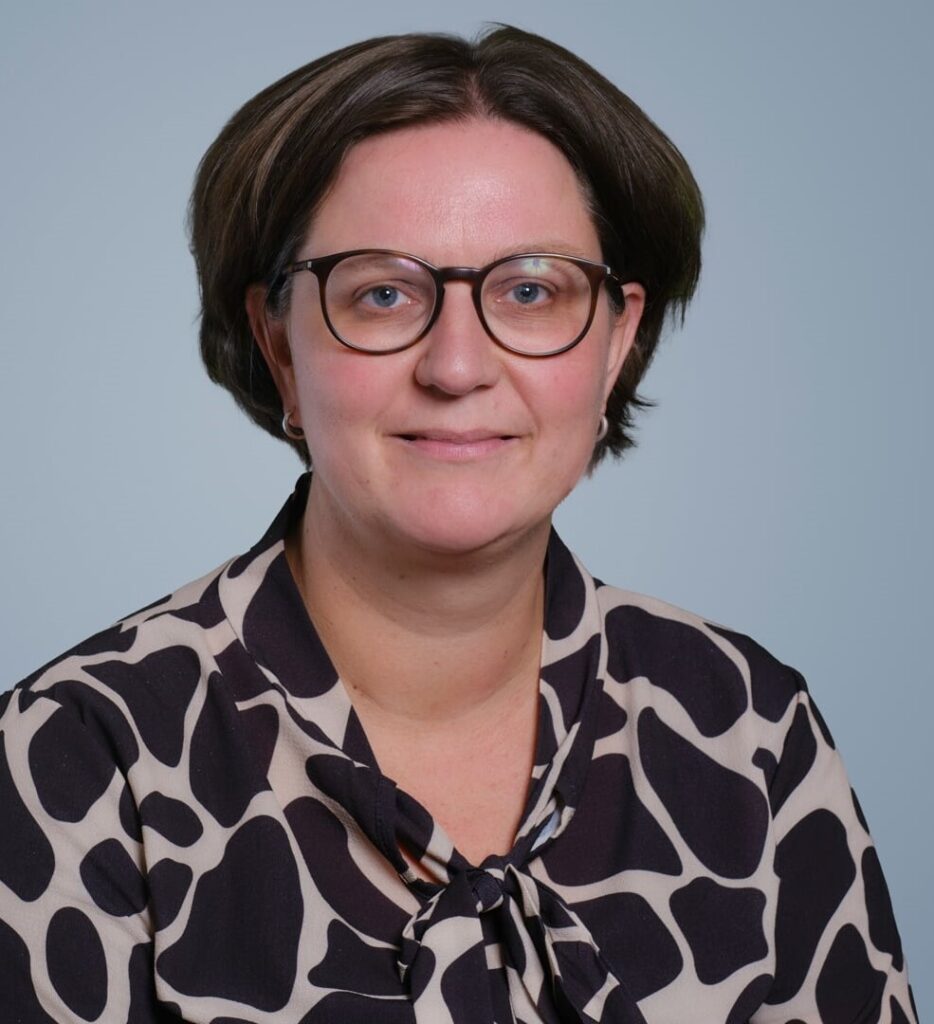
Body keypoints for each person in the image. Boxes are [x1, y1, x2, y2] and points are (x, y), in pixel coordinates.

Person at [0, 25, 917, 1024]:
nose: (456, 366)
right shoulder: (77, 754)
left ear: (616, 341)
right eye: (383, 293)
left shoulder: (748, 731)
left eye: (529, 291)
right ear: (279, 346)